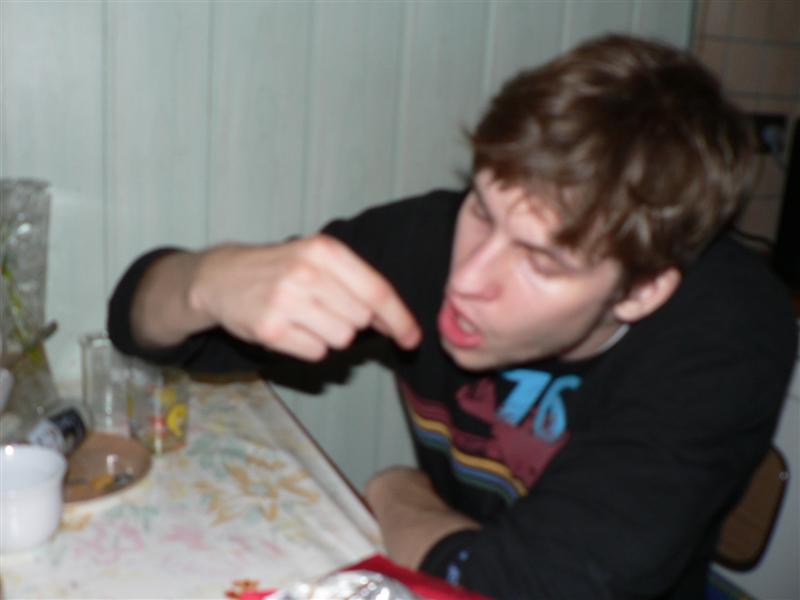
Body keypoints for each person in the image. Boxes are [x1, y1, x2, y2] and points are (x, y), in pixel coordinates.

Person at [108, 34, 798, 599]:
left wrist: (394, 492)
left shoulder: (729, 336)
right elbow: (141, 326)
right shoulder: (430, 241)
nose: (466, 280)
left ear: (640, 292)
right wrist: (203, 280)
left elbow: (516, 588)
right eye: (482, 208)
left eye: (540, 260)